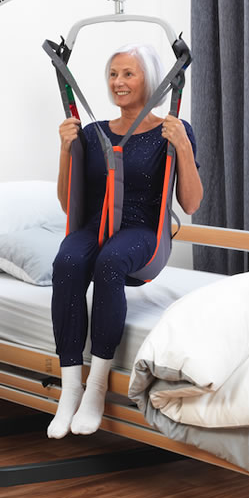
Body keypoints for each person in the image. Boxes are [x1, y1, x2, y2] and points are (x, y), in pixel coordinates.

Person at [47, 43, 203, 439]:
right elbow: (68, 203)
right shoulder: (92, 133)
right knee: (66, 262)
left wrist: (183, 147)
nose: (118, 82)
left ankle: (96, 388)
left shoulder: (172, 130)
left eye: (128, 74)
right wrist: (65, 150)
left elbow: (191, 203)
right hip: (93, 226)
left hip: (141, 230)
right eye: (113, 74)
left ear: (150, 79)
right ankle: (70, 389)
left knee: (110, 262)